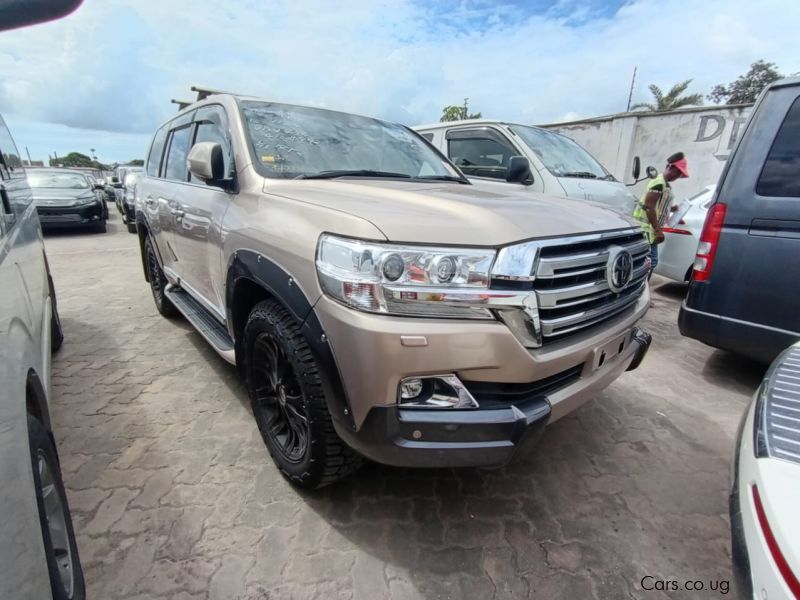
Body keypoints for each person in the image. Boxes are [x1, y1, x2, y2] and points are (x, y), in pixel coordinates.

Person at [633, 152, 689, 278]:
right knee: (649, 262)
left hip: (649, 228)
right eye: (679, 172)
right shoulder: (659, 182)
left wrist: (672, 208)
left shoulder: (663, 183)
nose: (679, 176)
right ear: (671, 167)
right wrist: (658, 231)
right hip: (646, 228)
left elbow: (657, 204)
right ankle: (641, 289)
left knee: (648, 262)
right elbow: (649, 206)